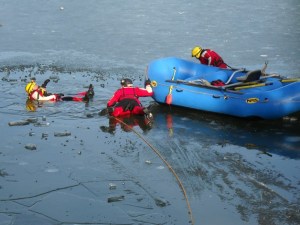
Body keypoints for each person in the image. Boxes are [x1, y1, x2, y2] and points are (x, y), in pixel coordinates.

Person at [25, 79, 94, 102]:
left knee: (69, 94)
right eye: (34, 85)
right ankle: (83, 100)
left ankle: (86, 93)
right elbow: (42, 99)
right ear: (32, 89)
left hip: (53, 98)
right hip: (52, 101)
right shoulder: (34, 94)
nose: (36, 85)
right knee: (68, 98)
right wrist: (55, 96)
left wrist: (44, 84)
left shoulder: (36, 91)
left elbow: (43, 92)